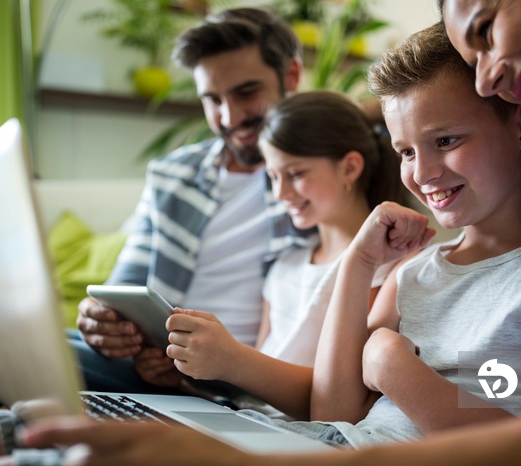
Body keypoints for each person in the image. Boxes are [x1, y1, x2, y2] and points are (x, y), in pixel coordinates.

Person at [0, 1, 521, 464]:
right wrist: (361, 263)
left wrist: (393, 367)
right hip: (324, 442)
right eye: (407, 152)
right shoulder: (419, 272)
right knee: (15, 437)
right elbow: (332, 410)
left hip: (343, 450)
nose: (422, 171)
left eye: (446, 140)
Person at [0, 6, 312, 439]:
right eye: (212, 100)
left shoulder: (320, 174)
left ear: (291, 75)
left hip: (233, 378)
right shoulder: (173, 175)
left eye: (247, 92)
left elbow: (394, 119)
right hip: (149, 366)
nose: (230, 117)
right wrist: (99, 322)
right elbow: (122, 288)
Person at [133, 90, 408, 421]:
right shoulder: (285, 264)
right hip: (246, 419)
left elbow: (343, 399)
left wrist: (233, 360)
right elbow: (256, 389)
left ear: (349, 168)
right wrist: (185, 379)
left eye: (295, 174)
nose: (281, 193)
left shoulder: (387, 270)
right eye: (274, 177)